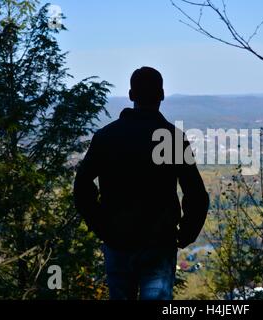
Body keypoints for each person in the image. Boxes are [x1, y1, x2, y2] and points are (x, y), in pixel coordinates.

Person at [74, 67, 209, 300]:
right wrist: (187, 232)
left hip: (117, 241)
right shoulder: (172, 138)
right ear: (162, 95)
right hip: (159, 243)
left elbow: (82, 187)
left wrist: (101, 226)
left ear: (131, 95)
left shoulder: (107, 137)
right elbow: (195, 194)